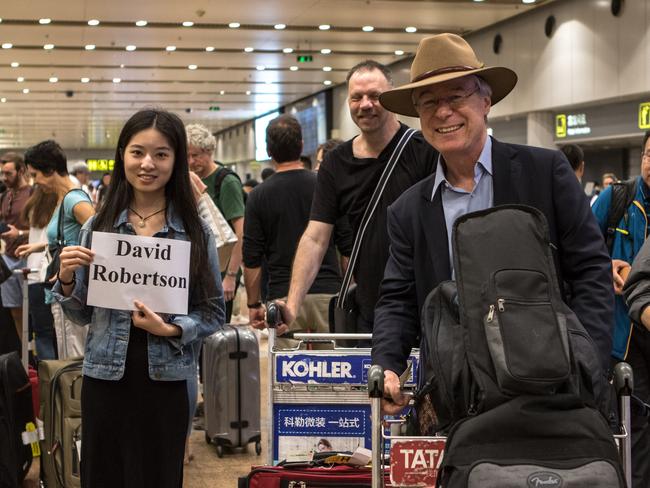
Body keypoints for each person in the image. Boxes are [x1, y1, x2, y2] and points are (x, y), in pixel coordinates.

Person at [371, 33, 613, 416]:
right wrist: (386, 364)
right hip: (455, 397)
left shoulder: (546, 173)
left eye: (456, 96)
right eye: (429, 102)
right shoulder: (408, 210)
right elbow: (398, 299)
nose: (443, 112)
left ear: (486, 102)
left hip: (553, 389)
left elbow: (590, 273)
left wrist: (588, 366)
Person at [51, 109, 225, 487]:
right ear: (122, 156)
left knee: (158, 476)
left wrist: (170, 328)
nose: (148, 164)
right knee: (104, 474)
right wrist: (66, 279)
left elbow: (214, 312)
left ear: (177, 160)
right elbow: (81, 314)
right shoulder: (98, 226)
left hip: (166, 381)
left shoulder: (194, 231)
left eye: (161, 154)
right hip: (105, 377)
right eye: (137, 152)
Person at [276, 60, 438, 335]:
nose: (365, 104)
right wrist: (292, 305)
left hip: (426, 307)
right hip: (370, 310)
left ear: (391, 98)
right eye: (357, 97)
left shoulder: (424, 151)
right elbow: (315, 237)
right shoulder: (335, 163)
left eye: (375, 96)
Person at [243, 115, 346, 347]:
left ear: (268, 150)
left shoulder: (258, 196)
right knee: (336, 374)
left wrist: (253, 304)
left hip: (283, 297)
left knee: (287, 377)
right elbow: (346, 245)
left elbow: (252, 258)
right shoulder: (324, 186)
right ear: (301, 146)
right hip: (328, 294)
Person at [592, 132, 650, 487]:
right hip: (623, 341)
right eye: (648, 154)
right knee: (633, 428)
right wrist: (605, 266)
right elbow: (578, 251)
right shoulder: (616, 199)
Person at [22, 140, 95, 358]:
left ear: (51, 170)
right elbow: (72, 236)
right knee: (66, 350)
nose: (35, 182)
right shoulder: (64, 199)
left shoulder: (74, 200)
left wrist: (72, 266)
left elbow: (101, 238)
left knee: (74, 355)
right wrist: (43, 245)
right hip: (66, 286)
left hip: (75, 289)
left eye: (36, 175)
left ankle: (75, 393)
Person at [187, 123, 245, 323]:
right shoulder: (190, 181)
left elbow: (240, 232)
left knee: (217, 334)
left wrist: (230, 276)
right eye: (186, 155)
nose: (191, 161)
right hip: (199, 270)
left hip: (222, 273)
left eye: (196, 155)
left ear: (209, 151)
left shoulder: (226, 182)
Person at [16, 186, 59, 360]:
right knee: (56, 335)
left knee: (42, 333)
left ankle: (47, 381)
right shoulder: (61, 206)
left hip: (35, 274)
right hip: (53, 273)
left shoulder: (33, 205)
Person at [0, 152, 31, 341]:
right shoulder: (4, 195)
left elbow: (41, 230)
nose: (4, 178)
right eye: (2, 173)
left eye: (8, 173)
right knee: (14, 310)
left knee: (33, 311)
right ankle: (24, 355)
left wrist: (20, 233)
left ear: (21, 170)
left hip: (28, 256)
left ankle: (35, 357)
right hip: (7, 258)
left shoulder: (34, 194)